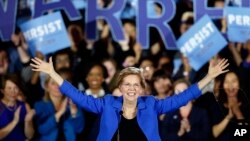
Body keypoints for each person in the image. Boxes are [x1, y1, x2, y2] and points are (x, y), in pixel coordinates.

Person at [30, 57, 229, 141]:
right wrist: (52, 73)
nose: (132, 88)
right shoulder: (107, 103)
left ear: (142, 89)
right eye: (127, 84)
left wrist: (209, 77)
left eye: (136, 84)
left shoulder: (151, 104)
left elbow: (182, 98)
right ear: (120, 87)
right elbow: (77, 96)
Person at [0, 74, 35, 141]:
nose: (13, 92)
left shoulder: (25, 106)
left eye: (15, 88)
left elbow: (30, 136)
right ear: (2, 91)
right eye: (9, 88)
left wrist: (27, 121)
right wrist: (15, 121)